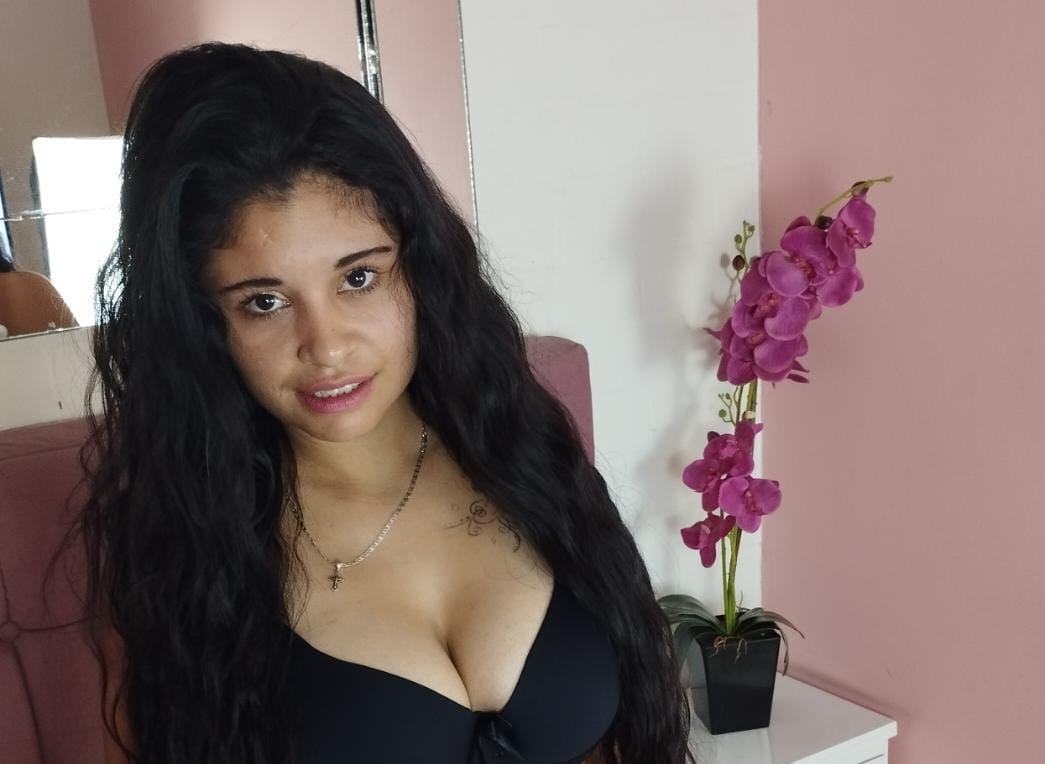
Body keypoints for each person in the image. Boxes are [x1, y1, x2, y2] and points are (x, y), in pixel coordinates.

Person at [71, 42, 694, 763]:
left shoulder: (520, 450)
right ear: (203, 323)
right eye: (264, 302)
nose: (326, 346)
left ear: (419, 264)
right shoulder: (181, 552)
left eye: (358, 278)